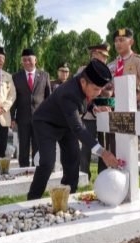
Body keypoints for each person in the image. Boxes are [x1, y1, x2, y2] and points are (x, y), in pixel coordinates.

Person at [27, 59, 119, 200]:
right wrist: (103, 153)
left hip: (66, 124)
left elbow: (85, 100)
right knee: (47, 162)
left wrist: (94, 108)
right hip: (46, 123)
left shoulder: (83, 85)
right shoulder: (68, 93)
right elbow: (78, 128)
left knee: (73, 159)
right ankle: (33, 198)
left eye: (100, 89)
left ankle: (68, 195)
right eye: (96, 89)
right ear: (83, 82)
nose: (98, 92)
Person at [80, 43, 115, 180]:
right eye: (102, 55)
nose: (105, 59)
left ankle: (103, 176)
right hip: (89, 115)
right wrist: (95, 107)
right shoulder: (83, 70)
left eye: (106, 57)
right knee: (86, 147)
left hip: (105, 116)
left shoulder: (108, 72)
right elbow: (82, 94)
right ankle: (83, 176)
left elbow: (111, 92)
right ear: (94, 54)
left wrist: (109, 96)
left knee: (104, 147)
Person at [11, 48, 51, 167]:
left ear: (35, 60)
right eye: (24, 60)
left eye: (29, 59)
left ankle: (36, 170)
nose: (27, 62)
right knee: (23, 147)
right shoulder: (16, 77)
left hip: (40, 119)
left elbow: (49, 99)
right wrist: (12, 117)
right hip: (22, 119)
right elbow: (13, 99)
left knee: (38, 147)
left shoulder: (44, 76)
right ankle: (23, 171)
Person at [108, 28, 140, 107]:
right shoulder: (111, 65)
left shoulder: (138, 61)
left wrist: (134, 99)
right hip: (113, 106)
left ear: (131, 42)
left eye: (121, 40)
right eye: (116, 41)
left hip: (132, 107)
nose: (118, 43)